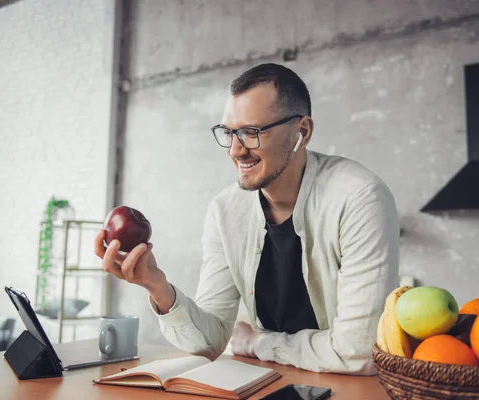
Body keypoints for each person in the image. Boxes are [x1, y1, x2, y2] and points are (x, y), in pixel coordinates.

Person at [94, 63, 400, 375]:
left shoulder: (360, 198)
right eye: (229, 133)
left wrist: (259, 344)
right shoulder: (225, 210)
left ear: (302, 132)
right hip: (264, 381)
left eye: (251, 132)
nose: (236, 150)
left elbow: (359, 352)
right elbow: (210, 343)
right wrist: (157, 286)